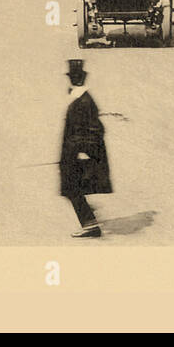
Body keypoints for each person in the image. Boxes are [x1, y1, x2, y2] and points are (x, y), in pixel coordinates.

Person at [59, 59, 112, 238]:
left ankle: (90, 224)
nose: (74, 81)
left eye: (75, 78)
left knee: (71, 189)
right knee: (72, 188)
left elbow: (96, 129)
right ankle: (89, 217)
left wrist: (79, 148)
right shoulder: (79, 97)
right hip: (74, 152)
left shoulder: (84, 101)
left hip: (79, 154)